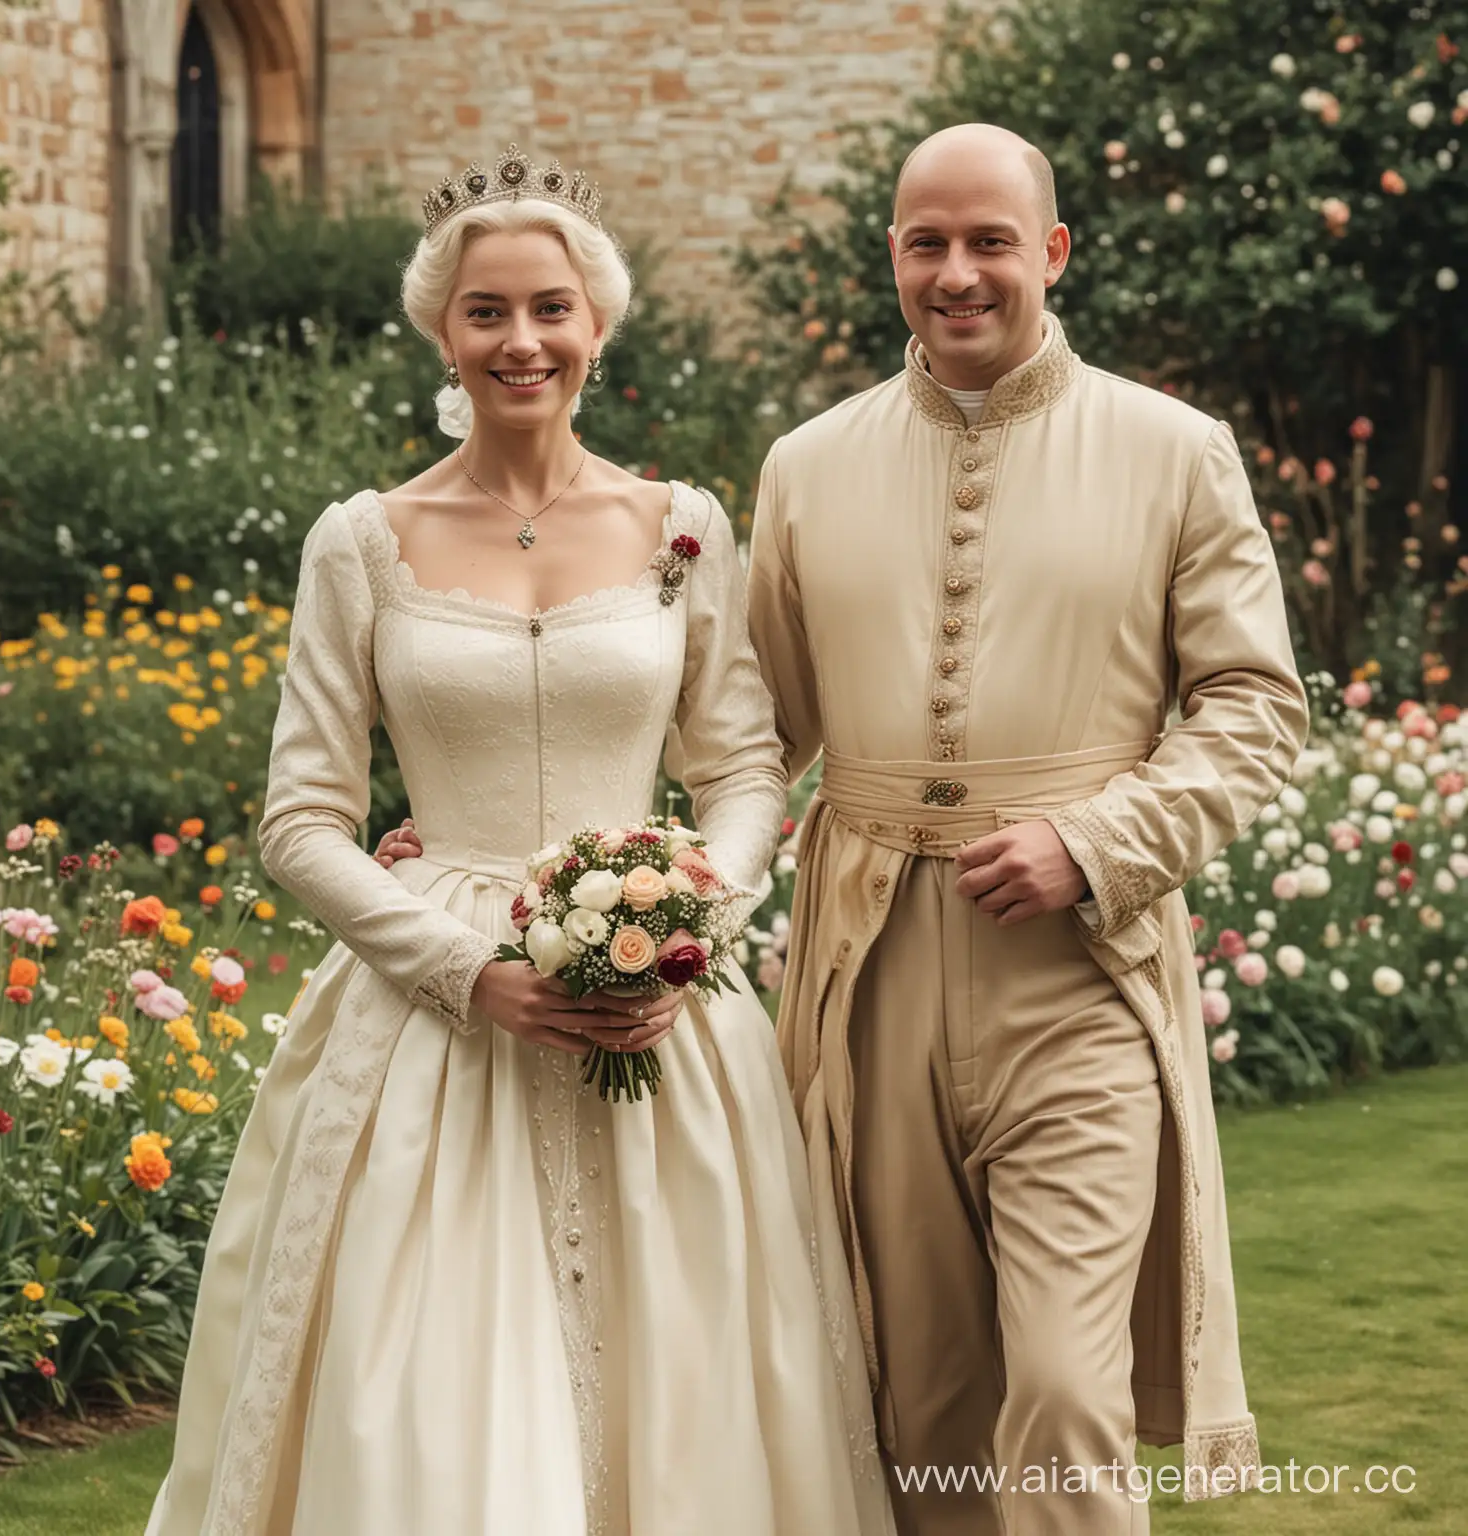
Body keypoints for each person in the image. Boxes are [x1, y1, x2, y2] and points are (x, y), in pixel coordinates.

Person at [377, 124, 1310, 1534]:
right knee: (914, 1401)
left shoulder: (1177, 453)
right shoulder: (808, 466)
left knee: (1063, 1386)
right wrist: (510, 854)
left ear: (1051, 252)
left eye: (991, 240)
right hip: (862, 975)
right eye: (927, 243)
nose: (959, 273)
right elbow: (745, 733)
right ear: (893, 258)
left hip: (1081, 974)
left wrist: (1102, 842)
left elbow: (1254, 706)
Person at [145, 146, 892, 1536]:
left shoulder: (682, 531)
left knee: (694, 1372)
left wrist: (687, 919)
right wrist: (467, 969)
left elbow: (738, 768)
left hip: (664, 1021)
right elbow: (301, 824)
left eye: (549, 308)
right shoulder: (362, 543)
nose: (521, 339)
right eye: (487, 312)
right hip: (434, 1030)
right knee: (429, 1382)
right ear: (444, 331)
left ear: (598, 327)